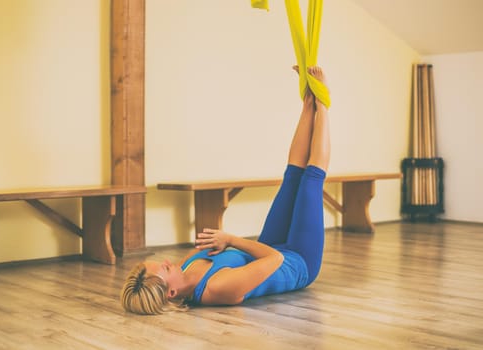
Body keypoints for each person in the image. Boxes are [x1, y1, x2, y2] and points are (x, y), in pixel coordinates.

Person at [121, 66, 331, 315]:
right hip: (298, 262)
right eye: (165, 269)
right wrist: (230, 240)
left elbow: (241, 253)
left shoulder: (185, 270)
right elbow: (276, 260)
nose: (168, 262)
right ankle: (324, 102)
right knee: (311, 180)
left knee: (292, 176)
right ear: (172, 293)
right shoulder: (217, 288)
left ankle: (308, 103)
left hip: (268, 247)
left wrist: (219, 242)